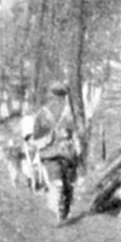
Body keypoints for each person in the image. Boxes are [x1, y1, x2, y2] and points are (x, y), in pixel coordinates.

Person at [21, 82, 80, 224]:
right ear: (64, 96)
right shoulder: (70, 112)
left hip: (50, 153)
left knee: (57, 182)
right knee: (66, 183)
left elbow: (36, 135)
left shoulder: (43, 113)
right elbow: (76, 132)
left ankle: (59, 209)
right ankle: (62, 210)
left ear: (52, 95)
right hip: (66, 153)